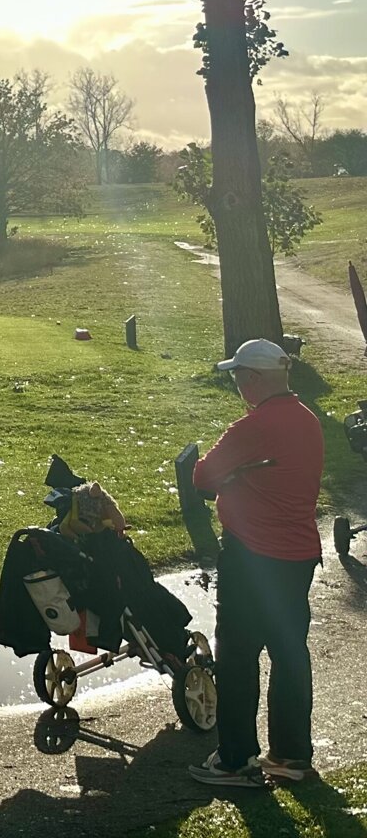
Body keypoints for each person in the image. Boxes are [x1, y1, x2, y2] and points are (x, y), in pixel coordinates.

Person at [187, 338, 324, 788]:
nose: (236, 383)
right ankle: (290, 756)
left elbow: (203, 475)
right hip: (299, 555)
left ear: (253, 379)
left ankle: (236, 759)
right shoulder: (308, 420)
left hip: (252, 556)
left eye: (238, 376)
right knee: (288, 653)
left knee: (238, 655)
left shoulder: (253, 427)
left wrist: (234, 475)